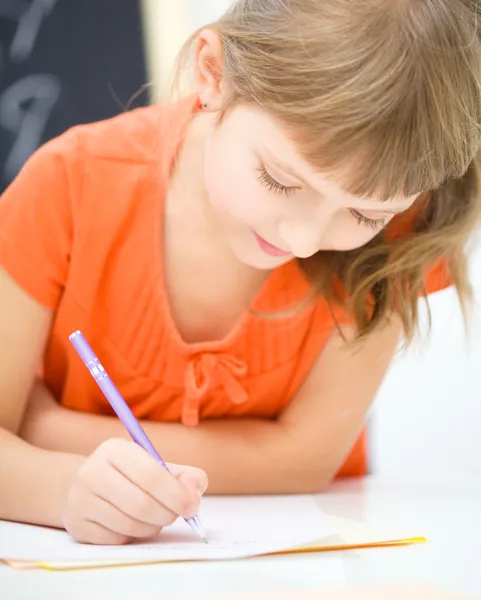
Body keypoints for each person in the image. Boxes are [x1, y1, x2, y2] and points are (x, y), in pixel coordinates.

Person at [0, 0, 479, 546]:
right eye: (279, 179)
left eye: (366, 213)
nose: (301, 240)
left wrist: (46, 430)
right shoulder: (70, 186)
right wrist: (63, 488)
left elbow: (304, 461)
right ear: (213, 73)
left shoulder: (401, 239)